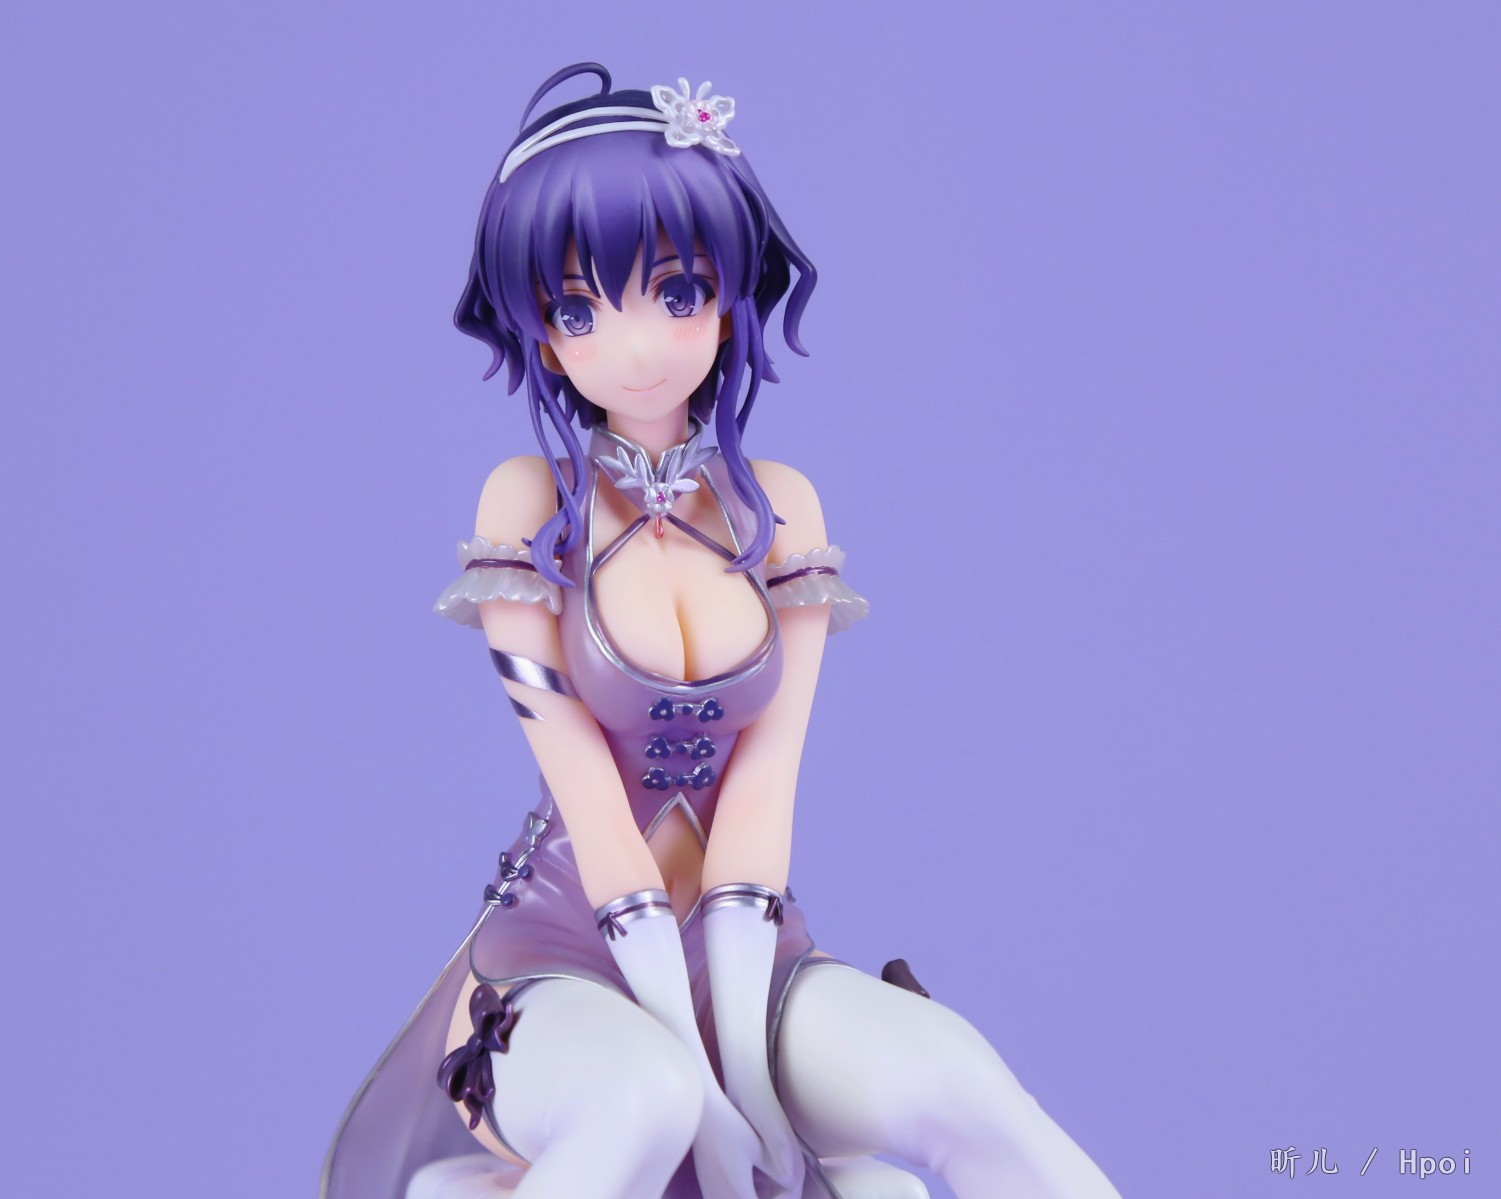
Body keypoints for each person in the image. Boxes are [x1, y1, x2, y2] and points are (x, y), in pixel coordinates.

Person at [320, 62, 1123, 1199]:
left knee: (955, 1075)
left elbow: (763, 795)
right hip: (561, 954)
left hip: (751, 959)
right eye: (580, 309)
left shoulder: (778, 511)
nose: (636, 346)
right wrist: (702, 1093)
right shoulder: (528, 506)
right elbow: (594, 810)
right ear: (541, 335)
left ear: (732, 292)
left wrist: (745, 1076)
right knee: (643, 1102)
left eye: (678, 290)